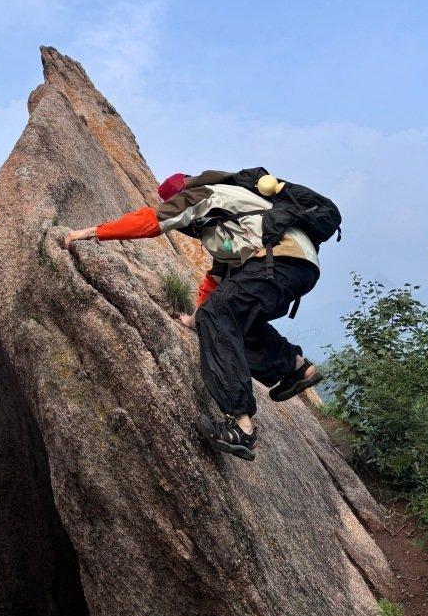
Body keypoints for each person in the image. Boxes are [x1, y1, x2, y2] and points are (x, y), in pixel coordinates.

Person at [64, 169, 324, 462]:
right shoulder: (229, 214)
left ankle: (241, 426)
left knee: (221, 315)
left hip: (278, 262)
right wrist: (196, 318)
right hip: (299, 267)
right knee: (230, 317)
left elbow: (151, 221)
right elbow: (217, 277)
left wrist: (90, 232)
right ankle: (295, 368)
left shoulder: (202, 195)